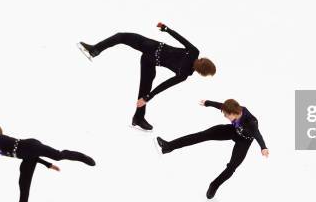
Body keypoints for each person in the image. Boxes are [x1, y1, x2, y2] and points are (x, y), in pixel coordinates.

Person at [77, 23, 216, 130]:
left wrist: (166, 29)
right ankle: (94, 50)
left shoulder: (193, 55)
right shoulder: (184, 74)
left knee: (121, 37)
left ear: (203, 61)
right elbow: (164, 86)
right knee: (144, 91)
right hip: (150, 57)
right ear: (200, 72)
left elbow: (180, 39)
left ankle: (138, 118)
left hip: (151, 51)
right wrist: (148, 97)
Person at [156, 99, 269, 199]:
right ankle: (168, 146)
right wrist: (207, 103)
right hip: (233, 131)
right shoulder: (235, 109)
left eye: (226, 115)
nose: (225, 116)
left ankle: (214, 185)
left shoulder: (251, 121)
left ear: (233, 113)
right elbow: (221, 105)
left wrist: (263, 148)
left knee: (232, 167)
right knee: (203, 135)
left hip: (244, 141)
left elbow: (257, 134)